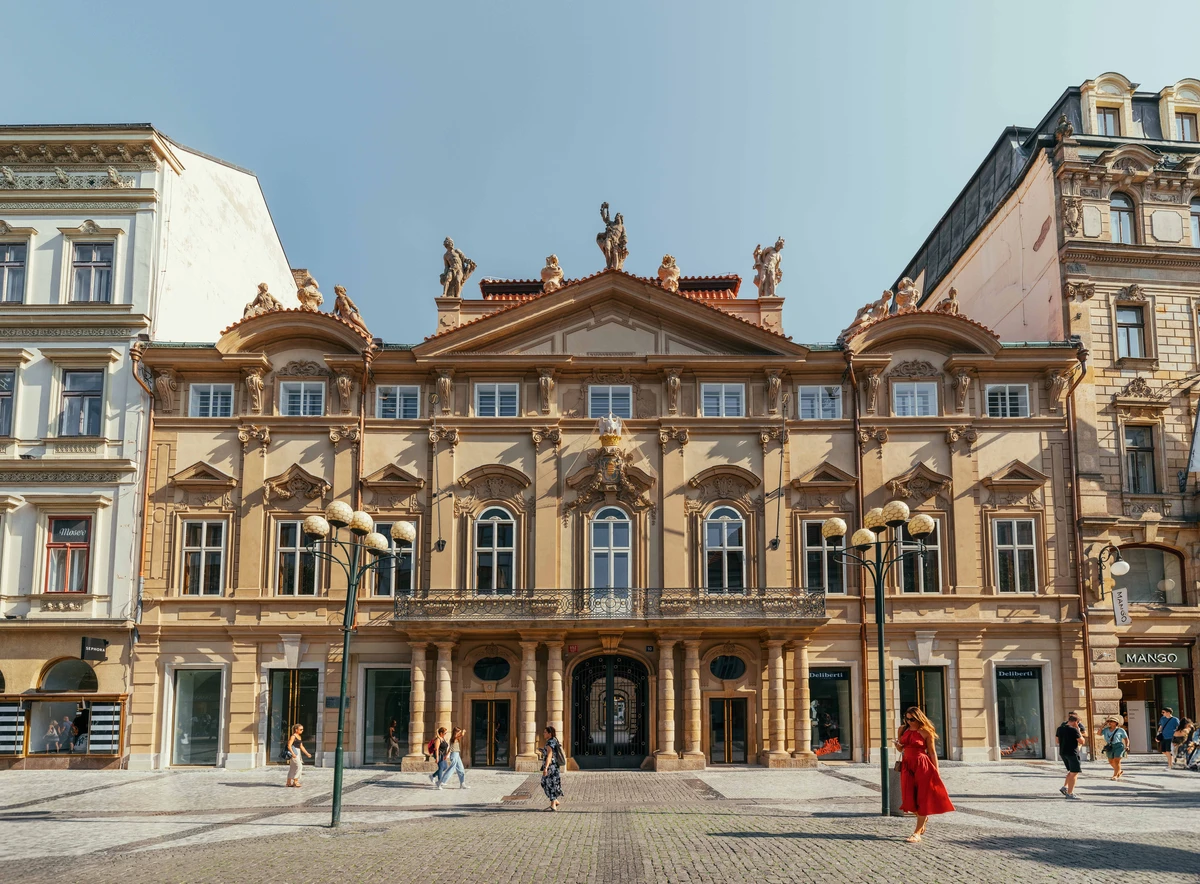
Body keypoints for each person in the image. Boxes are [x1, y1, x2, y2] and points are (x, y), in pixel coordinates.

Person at [895, 706, 954, 843]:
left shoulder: (926, 732)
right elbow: (901, 747)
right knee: (908, 797)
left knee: (922, 798)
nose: (909, 721)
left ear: (918, 718)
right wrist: (898, 747)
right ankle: (923, 818)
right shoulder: (902, 729)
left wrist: (937, 771)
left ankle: (916, 833)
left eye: (912, 719)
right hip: (907, 765)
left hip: (923, 766)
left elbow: (932, 752)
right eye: (907, 718)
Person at [1056, 711, 1085, 799]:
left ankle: (1065, 787)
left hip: (1063, 752)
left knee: (1071, 771)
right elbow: (1082, 741)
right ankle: (1070, 793)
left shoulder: (1060, 728)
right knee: (1074, 773)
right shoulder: (1074, 730)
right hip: (1072, 752)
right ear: (1076, 722)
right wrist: (1078, 731)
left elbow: (1057, 741)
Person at [540, 725, 564, 811]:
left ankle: (553, 804)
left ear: (549, 734)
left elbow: (549, 756)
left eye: (545, 732)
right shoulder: (554, 740)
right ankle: (555, 800)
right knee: (550, 783)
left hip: (551, 767)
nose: (543, 734)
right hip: (555, 766)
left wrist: (545, 768)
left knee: (548, 783)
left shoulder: (550, 743)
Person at [1100, 715, 1129, 780]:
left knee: (1117, 761)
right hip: (1110, 746)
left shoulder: (1120, 730)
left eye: (1112, 721)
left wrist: (1127, 746)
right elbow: (1099, 733)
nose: (1110, 723)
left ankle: (1115, 775)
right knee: (1110, 761)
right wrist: (1103, 725)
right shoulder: (1106, 730)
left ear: (1116, 723)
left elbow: (1126, 739)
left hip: (1118, 746)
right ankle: (1119, 770)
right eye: (1109, 721)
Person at [285, 723, 311, 788]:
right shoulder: (293, 736)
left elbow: (301, 746)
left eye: (302, 729)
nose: (302, 731)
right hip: (294, 752)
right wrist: (293, 753)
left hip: (298, 752)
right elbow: (289, 745)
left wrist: (307, 753)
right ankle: (295, 781)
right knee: (299, 766)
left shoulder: (299, 736)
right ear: (296, 730)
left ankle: (288, 782)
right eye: (301, 729)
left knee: (293, 767)